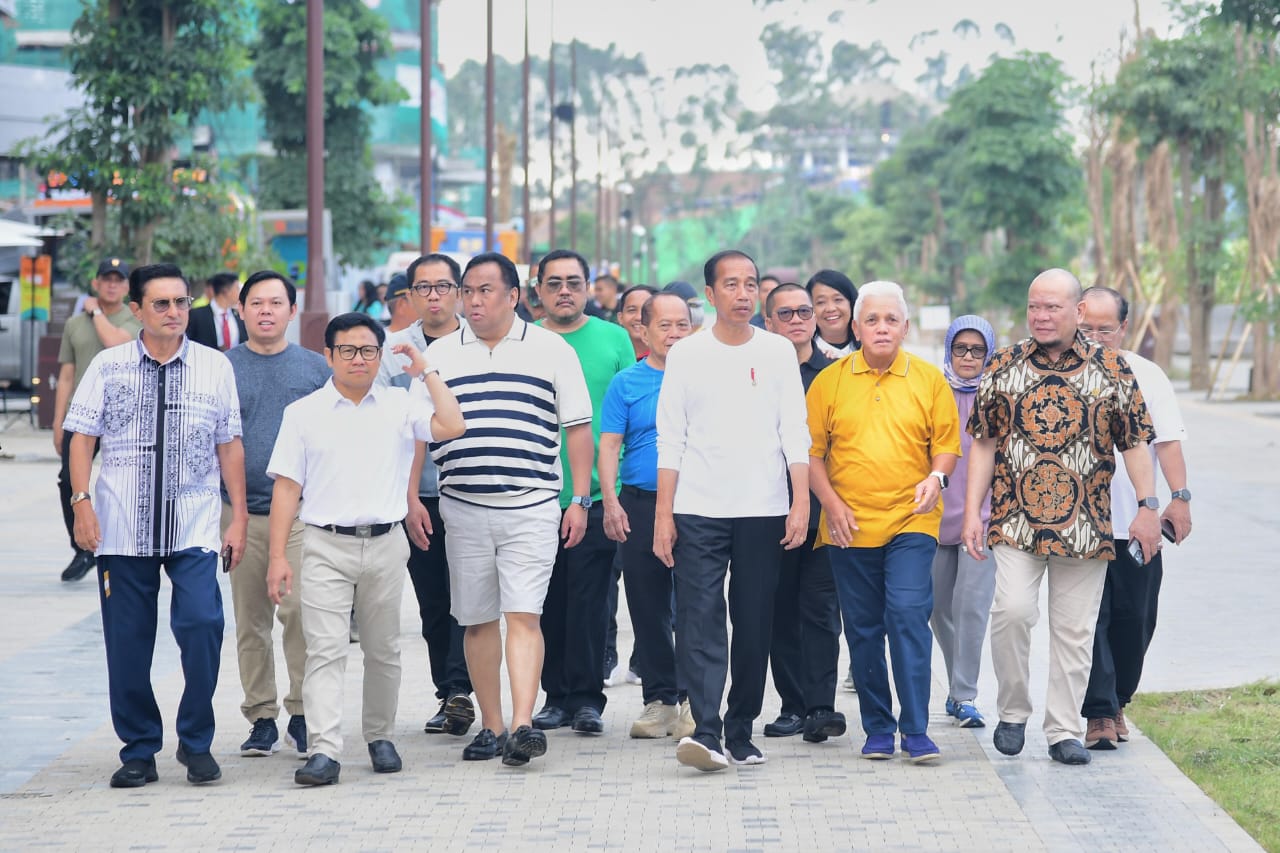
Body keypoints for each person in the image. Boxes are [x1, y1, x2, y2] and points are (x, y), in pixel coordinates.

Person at [963, 268, 1160, 767]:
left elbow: (1135, 441)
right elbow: (983, 443)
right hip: (1015, 520)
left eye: (1052, 307)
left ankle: (1064, 730)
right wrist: (972, 512)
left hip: (1086, 524)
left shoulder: (1113, 369)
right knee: (1011, 612)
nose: (1041, 315)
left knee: (1074, 631)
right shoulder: (1004, 364)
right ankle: (1011, 711)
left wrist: (1147, 506)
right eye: (1034, 306)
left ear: (1077, 312)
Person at [64, 262, 248, 788]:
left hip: (193, 523)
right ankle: (139, 748)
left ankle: (196, 741)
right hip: (121, 525)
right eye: (162, 303)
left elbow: (229, 443)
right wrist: (82, 503)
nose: (174, 312)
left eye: (181, 302)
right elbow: (81, 436)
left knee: (202, 625)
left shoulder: (215, 367)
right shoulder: (108, 364)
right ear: (138, 309)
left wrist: (238, 516)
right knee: (127, 641)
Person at [265, 312, 465, 786]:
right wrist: (276, 556)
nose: (360, 359)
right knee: (325, 650)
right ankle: (325, 749)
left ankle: (380, 737)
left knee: (384, 649)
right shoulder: (304, 413)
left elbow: (452, 425)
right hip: (323, 544)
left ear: (381, 355)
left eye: (369, 350)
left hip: (385, 543)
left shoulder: (400, 403)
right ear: (329, 355)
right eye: (349, 350)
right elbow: (287, 490)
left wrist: (426, 369)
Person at [426, 252, 593, 767]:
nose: (473, 301)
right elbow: (418, 429)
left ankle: (523, 724)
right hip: (462, 506)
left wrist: (580, 499)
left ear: (514, 295)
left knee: (524, 614)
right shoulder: (440, 354)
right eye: (467, 291)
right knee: (477, 621)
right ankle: (491, 726)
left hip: (534, 503)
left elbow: (578, 428)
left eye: (484, 291)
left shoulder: (552, 348)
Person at [655, 249, 810, 771]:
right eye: (731, 285)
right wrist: (663, 515)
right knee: (700, 620)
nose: (743, 294)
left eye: (750, 284)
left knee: (753, 621)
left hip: (763, 507)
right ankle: (707, 729)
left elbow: (795, 430)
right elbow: (670, 438)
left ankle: (741, 727)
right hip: (698, 507)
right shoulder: (687, 354)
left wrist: (800, 502)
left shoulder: (776, 352)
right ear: (710, 293)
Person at [807, 280, 959, 764]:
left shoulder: (930, 379)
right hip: (847, 525)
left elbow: (947, 447)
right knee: (864, 628)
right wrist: (830, 504)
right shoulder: (828, 382)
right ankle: (877, 728)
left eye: (891, 319)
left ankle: (916, 729)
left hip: (912, 520)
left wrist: (936, 478)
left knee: (909, 613)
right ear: (855, 327)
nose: (881, 328)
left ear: (906, 327)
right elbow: (811, 455)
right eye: (871, 320)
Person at [1077, 286, 1192, 749]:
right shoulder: (1060, 373)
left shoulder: (1147, 375)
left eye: (1104, 329)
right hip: (1077, 526)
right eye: (1085, 328)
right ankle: (1100, 713)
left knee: (1136, 618)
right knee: (1088, 620)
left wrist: (1179, 498)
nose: (1093, 337)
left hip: (1135, 523)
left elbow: (1166, 441)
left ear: (1123, 329)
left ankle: (1119, 697)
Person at [223, 270, 330, 759]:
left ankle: (304, 712)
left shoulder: (315, 369)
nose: (266, 310)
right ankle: (261, 717)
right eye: (256, 303)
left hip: (304, 515)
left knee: (303, 616)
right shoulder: (220, 368)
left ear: (292, 310)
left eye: (276, 302)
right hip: (239, 515)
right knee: (251, 621)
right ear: (240, 310)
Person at [531, 249, 636, 736]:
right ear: (538, 291)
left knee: (593, 602)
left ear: (589, 287)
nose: (564, 291)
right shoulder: (525, 341)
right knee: (547, 602)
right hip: (535, 495)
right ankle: (555, 696)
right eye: (554, 283)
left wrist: (615, 490)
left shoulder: (614, 340)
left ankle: (588, 698)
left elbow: (629, 417)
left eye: (573, 281)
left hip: (597, 494)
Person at [375, 253, 475, 737]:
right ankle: (449, 691)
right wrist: (406, 494)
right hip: (419, 495)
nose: (433, 296)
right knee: (434, 600)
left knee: (471, 594)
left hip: (473, 487)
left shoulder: (478, 344)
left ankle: (462, 688)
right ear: (409, 296)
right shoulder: (390, 351)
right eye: (423, 288)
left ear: (458, 291)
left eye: (443, 286)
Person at [599, 291, 696, 739]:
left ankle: (699, 700)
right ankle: (661, 701)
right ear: (643, 329)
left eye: (682, 325)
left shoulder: (705, 378)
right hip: (638, 502)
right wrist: (611, 500)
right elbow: (609, 445)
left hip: (697, 503)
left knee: (699, 606)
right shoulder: (628, 383)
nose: (674, 334)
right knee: (647, 604)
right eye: (664, 326)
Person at [760, 284, 846, 744]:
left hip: (822, 514)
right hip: (769, 511)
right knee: (779, 611)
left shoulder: (835, 373)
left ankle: (821, 707)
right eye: (786, 313)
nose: (797, 319)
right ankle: (791, 706)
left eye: (804, 312)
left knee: (820, 612)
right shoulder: (758, 371)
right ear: (769, 321)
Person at [53, 257, 142, 583]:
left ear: (127, 286)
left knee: (123, 479)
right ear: (96, 282)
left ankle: (123, 543)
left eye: (119, 279)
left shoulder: (134, 319)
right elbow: (66, 374)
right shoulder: (74, 325)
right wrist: (57, 420)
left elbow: (115, 341)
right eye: (106, 278)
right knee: (68, 480)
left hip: (121, 413)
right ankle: (83, 548)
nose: (112, 284)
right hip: (80, 414)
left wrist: (95, 312)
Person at [930, 315, 998, 729]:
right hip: (936, 518)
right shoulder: (933, 390)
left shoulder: (999, 395)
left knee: (971, 607)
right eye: (961, 349)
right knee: (939, 609)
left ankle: (964, 694)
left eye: (978, 350)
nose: (968, 357)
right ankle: (959, 687)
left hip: (985, 519)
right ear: (949, 350)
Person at [186, 272, 246, 351]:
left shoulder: (239, 316)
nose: (241, 293)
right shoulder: (196, 315)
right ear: (226, 291)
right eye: (237, 288)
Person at [806, 270, 859, 359]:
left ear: (852, 303)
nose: (830, 308)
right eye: (821, 302)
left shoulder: (868, 349)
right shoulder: (805, 355)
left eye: (838, 300)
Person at [617, 285, 657, 360]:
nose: (639, 317)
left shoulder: (666, 357)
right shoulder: (612, 356)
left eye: (646, 311)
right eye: (632, 310)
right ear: (620, 318)